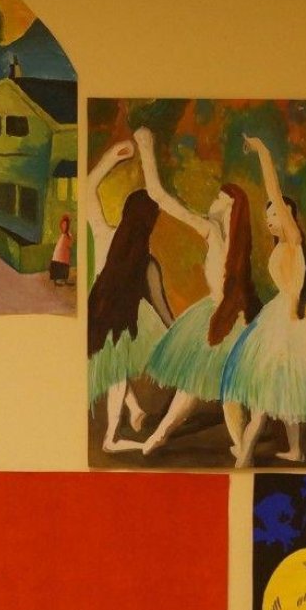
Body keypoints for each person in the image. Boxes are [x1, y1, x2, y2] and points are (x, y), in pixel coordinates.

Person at [133, 127, 261, 455]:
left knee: (217, 388)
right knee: (220, 388)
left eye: (218, 197)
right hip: (231, 318)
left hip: (224, 318)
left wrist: (146, 148)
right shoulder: (237, 244)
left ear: (229, 206)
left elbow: (160, 196)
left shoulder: (212, 232)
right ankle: (235, 446)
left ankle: (232, 446)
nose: (212, 202)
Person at [220, 136, 306, 467]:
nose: (271, 217)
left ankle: (244, 457)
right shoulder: (282, 246)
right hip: (281, 316)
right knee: (286, 390)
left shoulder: (293, 238)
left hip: (290, 320)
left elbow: (273, 190)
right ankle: (295, 450)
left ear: (291, 217)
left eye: (278, 212)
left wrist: (263, 151)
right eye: (269, 214)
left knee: (266, 395)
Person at [87, 141, 174, 452]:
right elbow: (162, 309)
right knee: (116, 366)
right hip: (122, 322)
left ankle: (133, 411)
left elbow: (88, 190)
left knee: (114, 363)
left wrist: (111, 158)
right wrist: (178, 337)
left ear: (125, 214)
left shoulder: (104, 236)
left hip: (98, 317)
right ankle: (111, 438)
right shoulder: (148, 264)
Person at [50, 214, 73, 285]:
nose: (64, 227)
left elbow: (70, 245)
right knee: (57, 264)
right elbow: (59, 247)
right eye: (63, 225)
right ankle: (56, 281)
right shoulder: (62, 236)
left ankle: (65, 280)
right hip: (59, 255)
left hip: (65, 255)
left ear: (67, 226)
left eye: (65, 225)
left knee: (64, 266)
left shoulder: (68, 235)